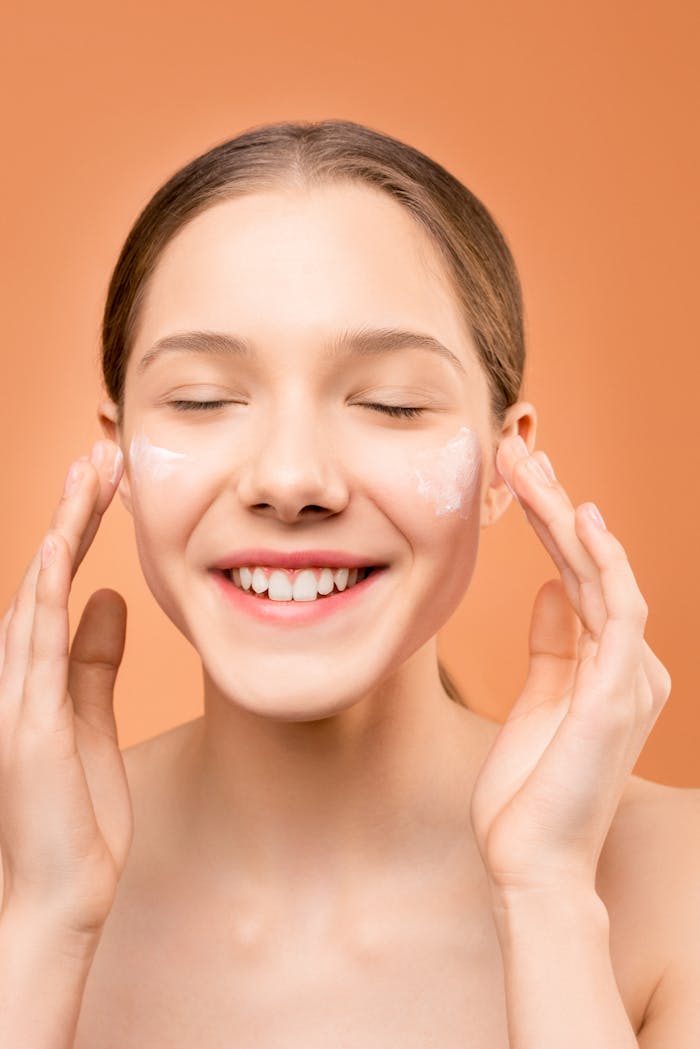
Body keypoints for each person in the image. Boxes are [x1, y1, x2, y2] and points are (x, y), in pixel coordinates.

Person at [0, 118, 696, 1048]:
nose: (290, 481)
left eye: (390, 402)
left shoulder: (681, 886)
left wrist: (549, 900)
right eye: (204, 400)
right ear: (118, 450)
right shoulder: (19, 889)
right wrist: (47, 919)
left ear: (504, 464)